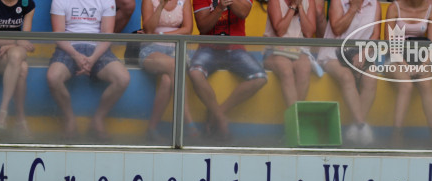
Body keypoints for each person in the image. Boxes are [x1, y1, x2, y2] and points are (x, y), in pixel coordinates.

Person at [47, 0, 131, 140]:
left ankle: (97, 120)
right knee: (53, 77)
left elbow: (107, 34)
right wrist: (76, 55)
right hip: (68, 47)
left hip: (97, 48)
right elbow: (58, 34)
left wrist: (92, 59)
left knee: (122, 78)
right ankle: (70, 119)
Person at [188, 0, 268, 140]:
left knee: (260, 77)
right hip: (208, 47)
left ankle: (217, 114)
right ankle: (221, 118)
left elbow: (243, 12)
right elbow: (203, 27)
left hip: (235, 47)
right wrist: (219, 8)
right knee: (195, 72)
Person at [315, 0, 381, 145]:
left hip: (360, 54)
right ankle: (361, 126)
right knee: (346, 77)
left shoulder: (375, 4)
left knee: (371, 77)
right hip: (333, 53)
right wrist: (353, 8)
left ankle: (355, 128)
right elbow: (337, 29)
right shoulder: (338, 2)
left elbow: (375, 34)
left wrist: (363, 54)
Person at [385, 0, 432, 147]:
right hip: (396, 57)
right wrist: (407, 67)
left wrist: (422, 66)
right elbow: (390, 45)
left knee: (425, 83)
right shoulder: (394, 8)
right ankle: (396, 135)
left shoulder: (431, 9)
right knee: (406, 85)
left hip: (421, 58)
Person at [139, 0, 199, 140]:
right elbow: (149, 30)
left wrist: (162, 35)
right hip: (151, 49)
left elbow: (187, 30)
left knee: (167, 81)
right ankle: (187, 119)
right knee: (175, 65)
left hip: (176, 48)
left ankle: (151, 128)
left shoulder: (184, 1)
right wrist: (160, 5)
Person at [0, 0, 36, 138]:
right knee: (22, 69)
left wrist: (11, 46)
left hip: (16, 50)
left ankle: (2, 111)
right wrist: (15, 41)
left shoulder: (27, 4)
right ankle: (20, 120)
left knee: (16, 56)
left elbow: (25, 40)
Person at [263, 0, 317, 108]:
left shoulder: (309, 1)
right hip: (275, 50)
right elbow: (280, 31)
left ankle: (295, 114)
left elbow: (309, 33)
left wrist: (300, 7)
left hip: (299, 51)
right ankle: (295, 115)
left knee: (304, 68)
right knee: (286, 70)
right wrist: (293, 6)